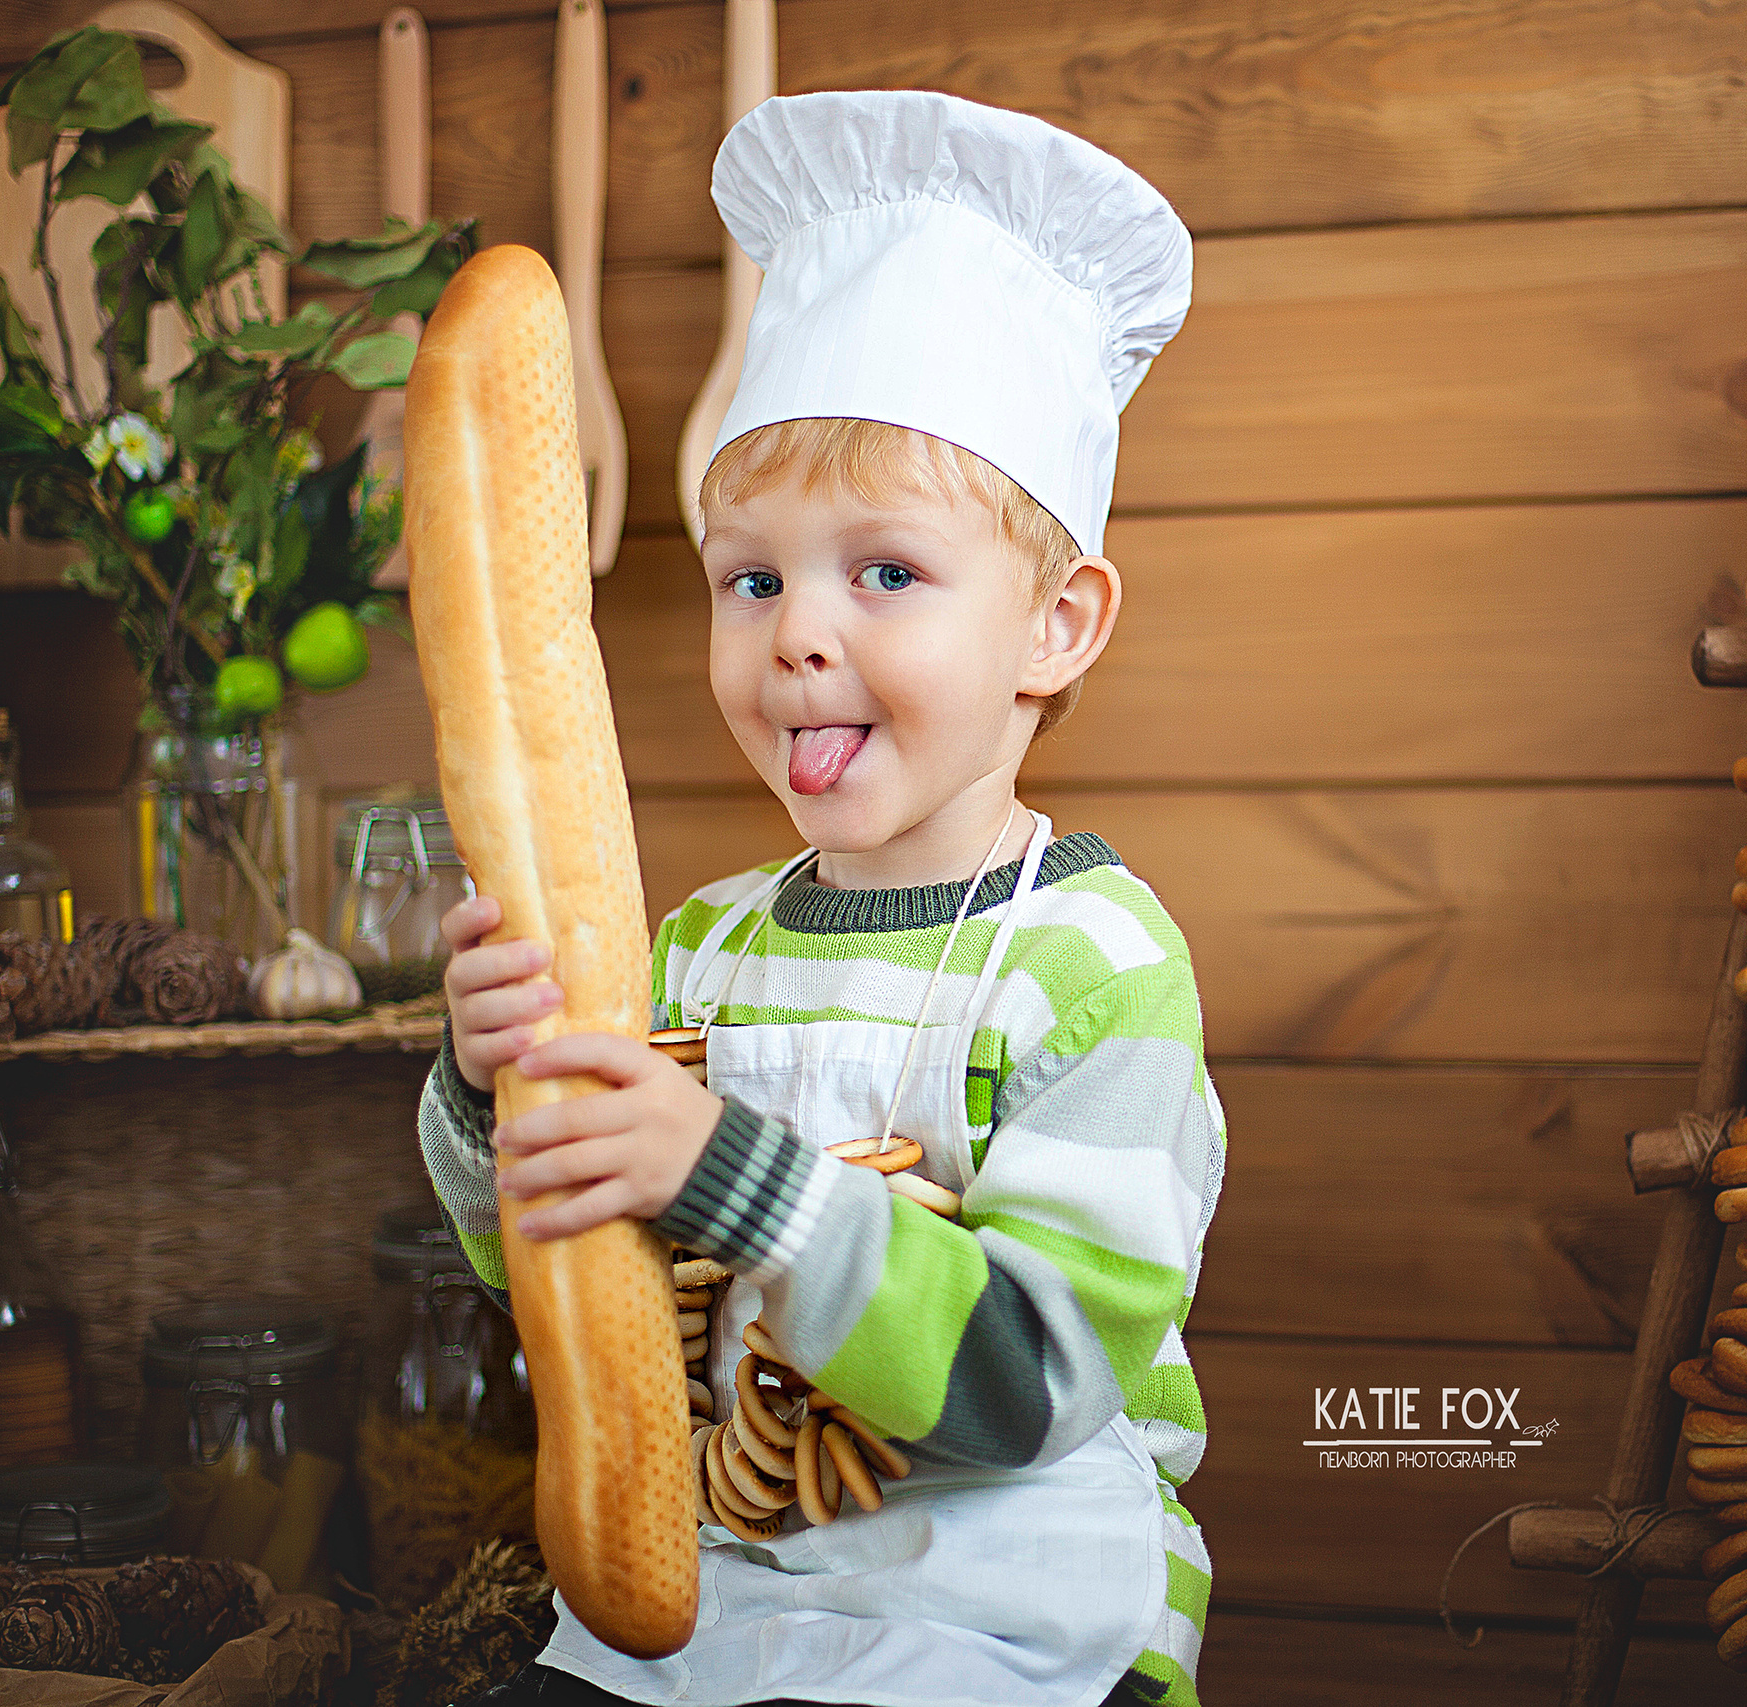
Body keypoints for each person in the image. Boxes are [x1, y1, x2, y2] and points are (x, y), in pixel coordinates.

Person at [416, 90, 1220, 1707]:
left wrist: (721, 1169)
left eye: (887, 572)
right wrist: (490, 1088)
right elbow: (558, 1283)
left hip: (1007, 1611)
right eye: (754, 577)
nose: (795, 632)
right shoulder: (702, 945)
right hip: (729, 1591)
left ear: (1056, 628)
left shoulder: (1094, 966)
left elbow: (1034, 1383)